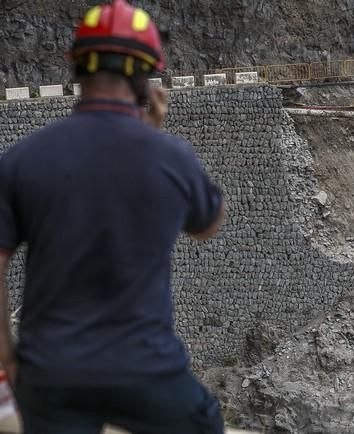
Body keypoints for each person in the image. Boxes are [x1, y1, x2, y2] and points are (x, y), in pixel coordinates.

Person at [0, 1, 226, 433]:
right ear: (144, 79)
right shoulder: (169, 157)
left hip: (50, 375)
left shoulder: (22, 159)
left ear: (78, 71)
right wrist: (156, 136)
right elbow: (207, 223)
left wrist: (8, 357)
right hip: (147, 372)